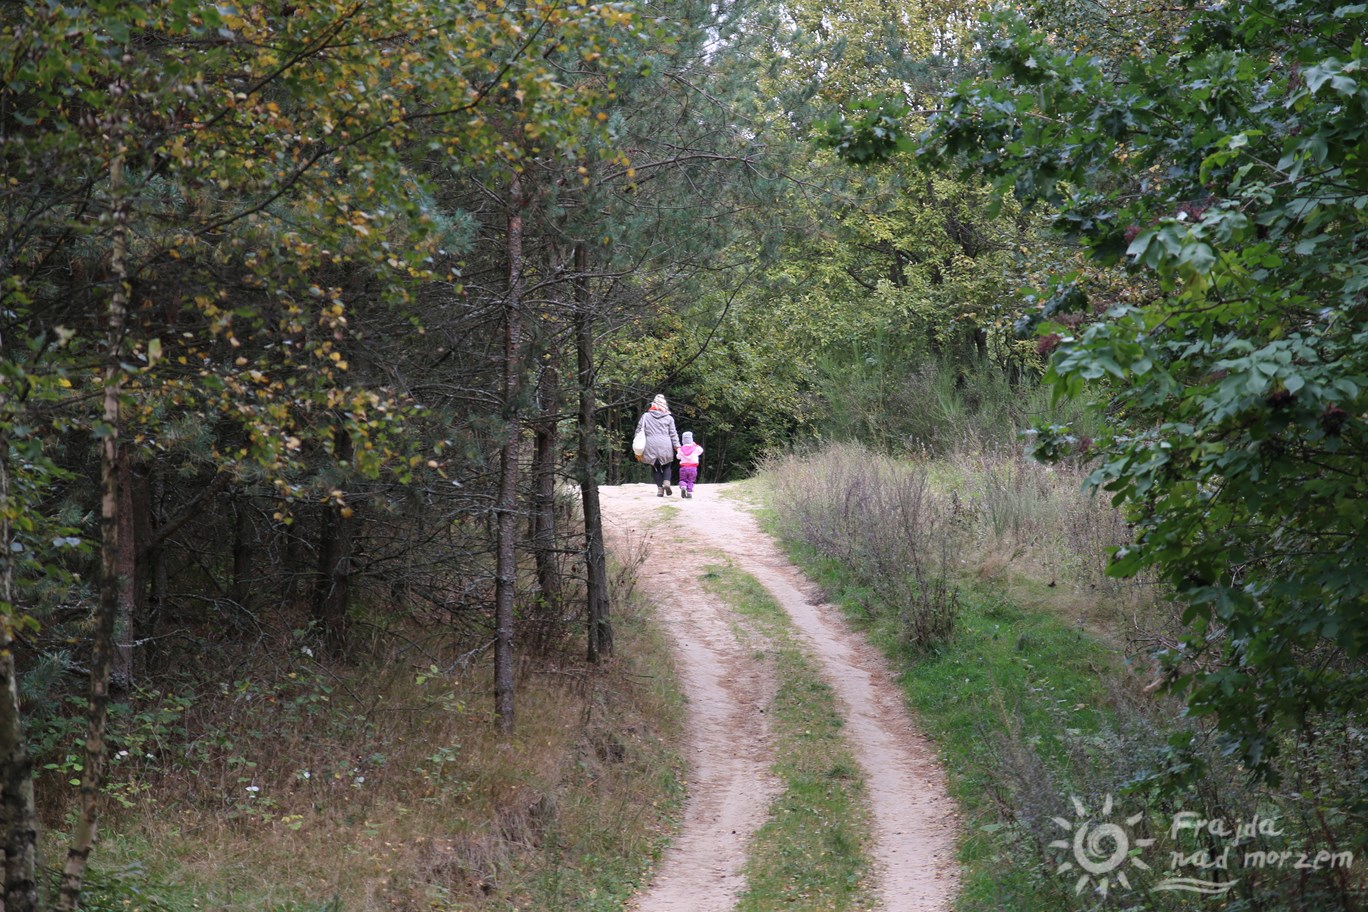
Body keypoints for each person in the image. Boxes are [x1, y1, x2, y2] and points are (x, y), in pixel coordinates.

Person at [635, 394, 680, 497]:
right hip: (666, 444)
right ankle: (667, 483)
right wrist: (677, 446)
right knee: (667, 465)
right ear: (665, 405)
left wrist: (637, 446)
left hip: (651, 445)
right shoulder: (669, 418)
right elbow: (673, 433)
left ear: (653, 404)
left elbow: (638, 431)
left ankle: (660, 489)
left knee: (655, 467)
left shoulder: (645, 416)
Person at [676, 431, 703, 499]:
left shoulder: (681, 449)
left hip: (683, 468)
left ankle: (683, 486)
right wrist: (695, 445)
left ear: (683, 440)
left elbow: (678, 457)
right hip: (693, 468)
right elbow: (701, 450)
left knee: (683, 480)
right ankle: (689, 492)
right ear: (691, 440)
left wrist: (679, 451)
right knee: (691, 480)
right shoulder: (695, 448)